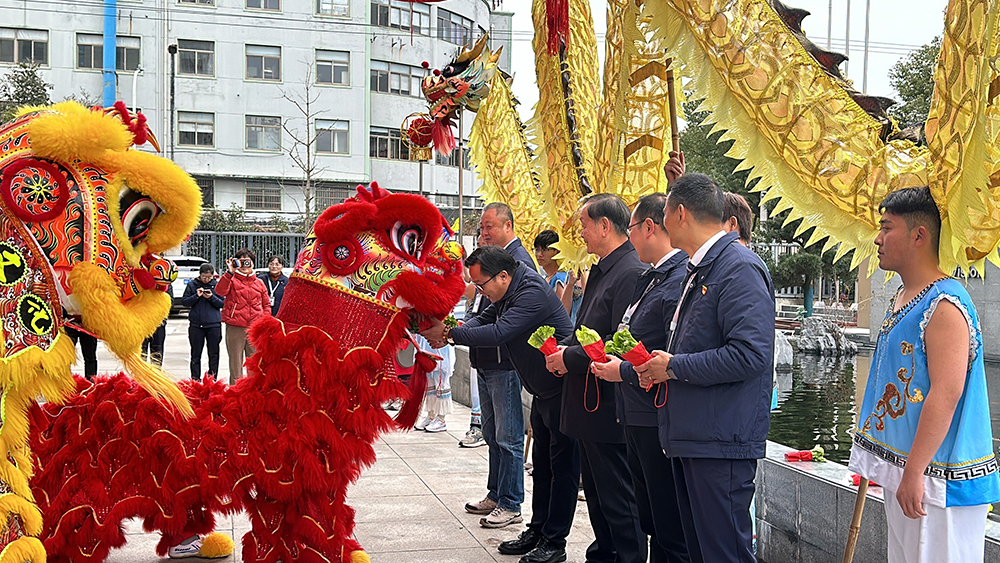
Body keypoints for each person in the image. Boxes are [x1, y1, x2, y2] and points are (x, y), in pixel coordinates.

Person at [847, 187, 999, 563]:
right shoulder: (905, 296)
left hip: (940, 479)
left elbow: (946, 393)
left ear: (919, 235)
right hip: (911, 472)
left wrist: (914, 472)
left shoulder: (944, 305)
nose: (878, 239)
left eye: (886, 228)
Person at [637, 173, 774, 563]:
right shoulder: (702, 268)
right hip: (692, 434)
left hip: (720, 439)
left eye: (663, 213)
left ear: (680, 213)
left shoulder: (738, 267)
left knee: (723, 553)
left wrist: (675, 367)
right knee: (701, 552)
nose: (661, 223)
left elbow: (750, 354)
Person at [422, 245, 578, 562]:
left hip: (565, 390)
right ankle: (538, 531)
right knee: (543, 469)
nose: (479, 290)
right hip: (543, 389)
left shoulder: (531, 290)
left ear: (503, 276)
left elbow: (498, 332)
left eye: (482, 285)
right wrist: (452, 330)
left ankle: (555, 542)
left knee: (562, 470)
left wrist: (449, 334)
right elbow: (483, 319)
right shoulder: (506, 291)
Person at [544, 193, 647, 563]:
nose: (581, 233)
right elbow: (585, 329)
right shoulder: (603, 268)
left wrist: (568, 357)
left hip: (609, 404)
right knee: (600, 496)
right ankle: (603, 553)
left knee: (619, 497)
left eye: (585, 225)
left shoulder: (630, 272)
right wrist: (562, 352)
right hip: (589, 403)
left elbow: (618, 341)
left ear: (605, 226)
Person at [591, 193, 690, 563]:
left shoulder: (678, 277)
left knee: (668, 524)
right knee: (651, 517)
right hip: (633, 410)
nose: (629, 238)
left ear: (649, 226)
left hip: (656, 413)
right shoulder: (650, 277)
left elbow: (671, 348)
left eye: (631, 229)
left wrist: (625, 370)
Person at [461, 203, 535, 527]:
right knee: (492, 433)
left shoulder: (517, 262)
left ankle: (511, 502)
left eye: (489, 226)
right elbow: (483, 310)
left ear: (508, 226)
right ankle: (495, 493)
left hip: (505, 362)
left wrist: (457, 333)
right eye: (481, 228)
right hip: (486, 358)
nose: (484, 233)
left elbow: (505, 323)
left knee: (509, 436)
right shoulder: (487, 261)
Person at [215, 248, 270, 384]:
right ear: (236, 262)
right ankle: (235, 393)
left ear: (253, 264)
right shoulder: (231, 280)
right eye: (242, 261)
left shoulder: (259, 282)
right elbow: (220, 291)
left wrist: (264, 322)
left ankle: (252, 393)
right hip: (235, 327)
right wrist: (229, 272)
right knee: (235, 363)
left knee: (254, 364)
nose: (245, 265)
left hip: (254, 328)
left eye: (248, 261)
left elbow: (266, 305)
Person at [182, 262, 224, 381]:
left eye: (209, 277)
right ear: (200, 275)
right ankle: (195, 378)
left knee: (214, 353)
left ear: (213, 276)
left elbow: (222, 303)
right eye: (204, 277)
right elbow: (185, 302)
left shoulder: (217, 286)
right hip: (196, 325)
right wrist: (196, 296)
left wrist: (211, 297)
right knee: (196, 353)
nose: (206, 279)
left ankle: (212, 378)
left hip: (213, 324)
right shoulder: (192, 284)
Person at [533, 230, 582, 325]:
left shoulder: (560, 278)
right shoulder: (544, 278)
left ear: (557, 251)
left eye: (545, 249)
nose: (539, 254)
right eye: (537, 249)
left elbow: (563, 311)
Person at [413, 334, 454, 433]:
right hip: (425, 341)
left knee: (441, 381)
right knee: (429, 383)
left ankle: (441, 418)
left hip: (440, 343)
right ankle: (431, 415)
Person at [142, 285, 172, 367]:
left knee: (157, 351)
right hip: (143, 324)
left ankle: (156, 374)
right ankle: (140, 376)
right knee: (141, 352)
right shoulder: (143, 282)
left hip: (159, 324)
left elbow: (169, 301)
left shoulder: (164, 284)